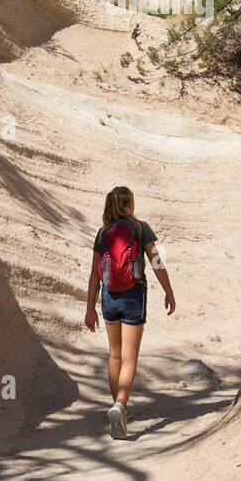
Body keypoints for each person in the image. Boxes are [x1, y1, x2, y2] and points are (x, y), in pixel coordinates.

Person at [85, 185, 176, 439]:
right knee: (129, 357)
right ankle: (120, 405)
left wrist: (89, 308)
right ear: (130, 204)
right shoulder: (140, 228)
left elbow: (95, 274)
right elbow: (156, 262)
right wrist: (169, 291)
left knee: (114, 355)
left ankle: (119, 407)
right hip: (133, 296)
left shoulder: (102, 233)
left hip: (108, 297)